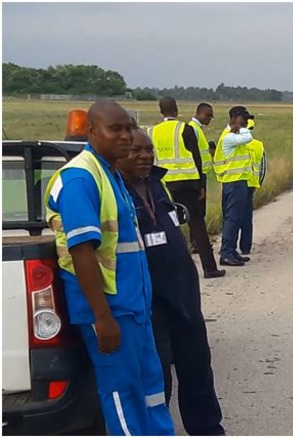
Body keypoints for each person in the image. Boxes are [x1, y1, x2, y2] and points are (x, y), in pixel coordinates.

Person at [44, 99, 175, 436]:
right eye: (114, 129)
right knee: (122, 395)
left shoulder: (111, 174)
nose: (125, 136)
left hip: (134, 309)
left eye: (129, 127)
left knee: (150, 391)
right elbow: (82, 252)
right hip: (110, 311)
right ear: (91, 132)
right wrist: (102, 318)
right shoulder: (80, 179)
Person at [118, 128, 225, 436]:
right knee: (158, 380)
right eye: (135, 151)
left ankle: (208, 429)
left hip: (184, 300)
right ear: (118, 155)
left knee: (198, 371)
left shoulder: (157, 184)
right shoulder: (115, 193)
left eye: (149, 150)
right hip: (150, 306)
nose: (145, 156)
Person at [148, 97, 225, 279]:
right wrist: (200, 185)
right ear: (176, 110)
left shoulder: (151, 131)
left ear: (161, 111)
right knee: (197, 225)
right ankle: (209, 268)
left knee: (164, 225)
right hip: (188, 183)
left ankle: (167, 271)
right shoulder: (185, 128)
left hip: (163, 184)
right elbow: (196, 158)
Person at [213, 106, 255, 266]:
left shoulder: (234, 134)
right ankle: (226, 252)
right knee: (232, 218)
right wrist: (239, 128)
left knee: (237, 218)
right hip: (234, 182)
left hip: (239, 181)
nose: (246, 122)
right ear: (234, 118)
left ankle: (232, 250)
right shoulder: (229, 137)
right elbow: (248, 138)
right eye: (243, 119)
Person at [187, 103, 215, 254]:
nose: (210, 119)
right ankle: (196, 243)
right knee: (197, 212)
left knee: (200, 211)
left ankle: (197, 242)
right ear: (200, 113)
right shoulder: (193, 129)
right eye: (208, 115)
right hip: (197, 176)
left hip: (201, 174)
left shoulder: (197, 129)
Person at [239, 116, 267, 258]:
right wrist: (259, 183)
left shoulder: (236, 143)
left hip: (236, 182)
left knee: (231, 216)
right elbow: (263, 168)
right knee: (246, 217)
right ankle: (245, 246)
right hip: (251, 184)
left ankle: (229, 245)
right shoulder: (258, 145)